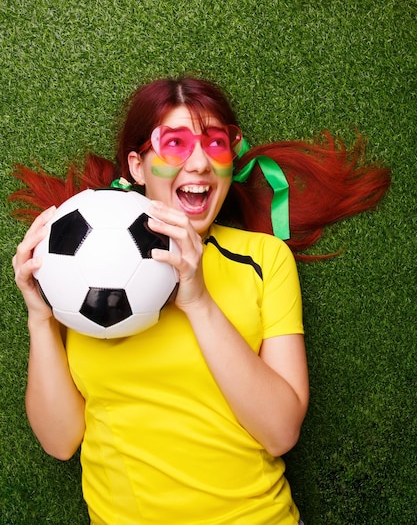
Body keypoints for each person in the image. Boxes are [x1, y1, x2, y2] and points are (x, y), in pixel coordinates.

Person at [11, 76, 390, 525]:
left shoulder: (264, 259)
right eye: (174, 144)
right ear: (137, 166)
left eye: (214, 145)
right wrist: (39, 315)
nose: (199, 163)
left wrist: (197, 299)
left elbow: (280, 431)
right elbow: (60, 442)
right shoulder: (79, 267)